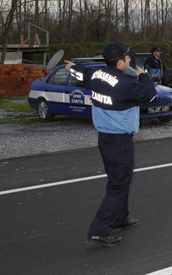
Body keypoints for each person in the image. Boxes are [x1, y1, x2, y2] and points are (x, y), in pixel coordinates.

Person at [66, 42, 157, 247]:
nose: (129, 61)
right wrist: (144, 75)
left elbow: (78, 73)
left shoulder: (96, 74)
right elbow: (149, 94)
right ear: (119, 62)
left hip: (105, 138)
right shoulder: (125, 84)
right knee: (118, 184)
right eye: (127, 58)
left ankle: (120, 217)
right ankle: (99, 229)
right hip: (119, 140)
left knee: (120, 180)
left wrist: (71, 67)